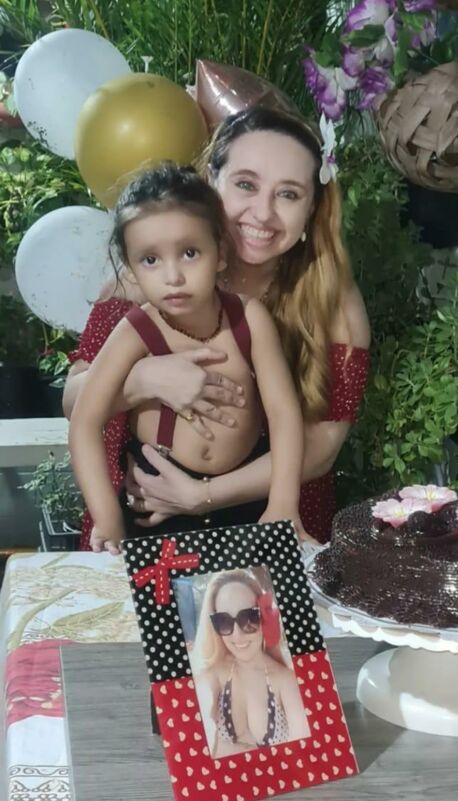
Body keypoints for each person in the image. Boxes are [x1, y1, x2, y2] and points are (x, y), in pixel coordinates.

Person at [64, 106, 370, 546]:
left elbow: (320, 448)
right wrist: (142, 379)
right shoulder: (140, 285)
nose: (262, 213)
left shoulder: (330, 302)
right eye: (246, 184)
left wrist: (200, 496)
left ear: (311, 209)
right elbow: (75, 405)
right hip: (145, 507)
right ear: (212, 180)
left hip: (267, 511)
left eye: (288, 194)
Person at [68, 163, 304, 554]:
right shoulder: (134, 331)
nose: (173, 276)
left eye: (189, 253)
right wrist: (107, 517)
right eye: (150, 260)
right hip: (155, 504)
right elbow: (84, 422)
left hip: (243, 504)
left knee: (248, 593)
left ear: (221, 253)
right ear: (130, 266)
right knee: (163, 595)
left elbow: (283, 413)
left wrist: (282, 502)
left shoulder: (249, 318)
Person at [190, 569, 309, 757]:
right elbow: (197, 744)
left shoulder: (286, 680)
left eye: (248, 618)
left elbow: (303, 752)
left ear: (265, 617)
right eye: (223, 621)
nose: (237, 635)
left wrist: (225, 749)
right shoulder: (211, 675)